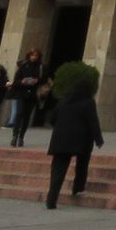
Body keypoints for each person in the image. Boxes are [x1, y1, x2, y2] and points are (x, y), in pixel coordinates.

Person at [44, 80, 103, 209]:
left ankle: (51, 198)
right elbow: (93, 121)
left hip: (60, 139)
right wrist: (98, 139)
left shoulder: (63, 101)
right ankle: (78, 187)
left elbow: (52, 118)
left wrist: (61, 127)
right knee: (82, 163)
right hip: (81, 139)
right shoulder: (88, 102)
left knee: (58, 170)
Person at [10, 48, 45, 147]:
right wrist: (22, 81)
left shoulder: (41, 67)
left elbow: (44, 80)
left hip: (33, 94)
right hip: (22, 93)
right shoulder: (23, 66)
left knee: (26, 116)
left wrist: (36, 81)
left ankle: (21, 137)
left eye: (36, 55)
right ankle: (14, 136)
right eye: (32, 55)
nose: (34, 57)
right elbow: (16, 80)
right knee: (19, 113)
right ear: (29, 56)